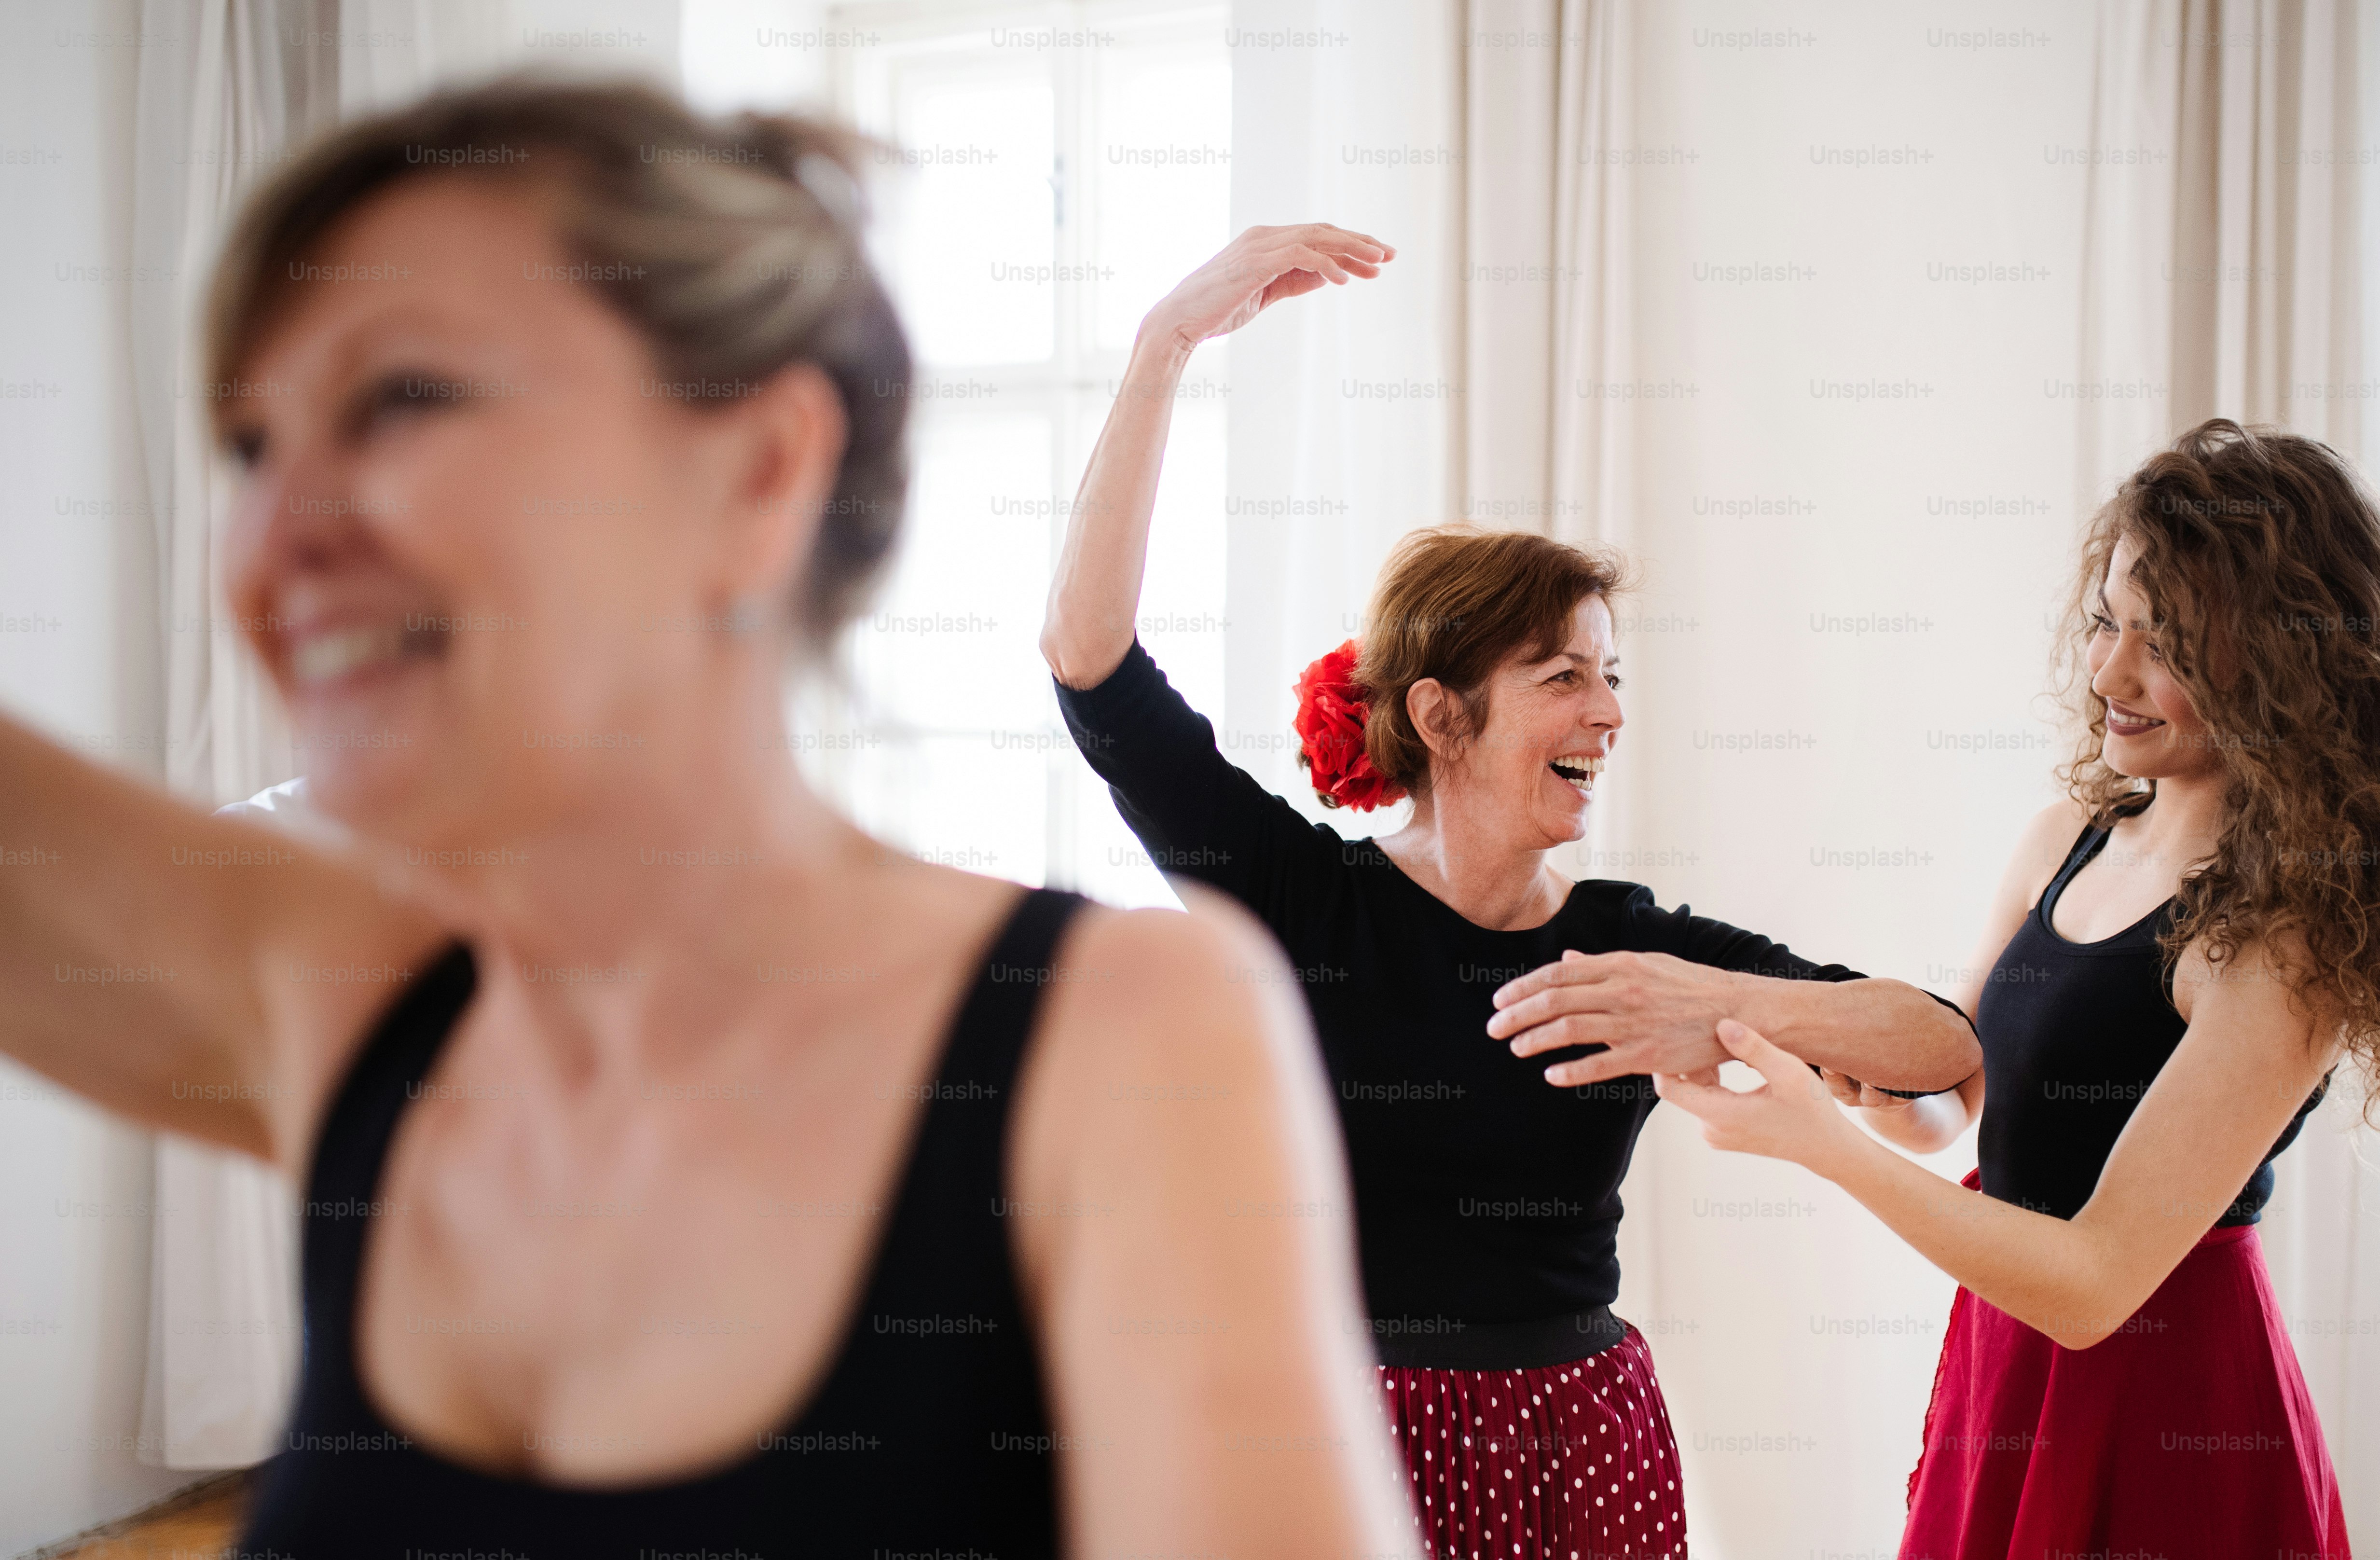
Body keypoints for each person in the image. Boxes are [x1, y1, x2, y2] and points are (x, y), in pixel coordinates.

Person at [0, 81, 1421, 1558]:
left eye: (403, 400)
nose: (274, 543)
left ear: (757, 469)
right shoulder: (353, 1004)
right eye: (249, 447)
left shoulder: (1114, 1038)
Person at [1041, 224, 1982, 1560]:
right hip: (1336, 1440)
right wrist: (1164, 345)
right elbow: (1089, 660)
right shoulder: (1305, 902)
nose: (1607, 712)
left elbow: (1938, 1042)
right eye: (1564, 676)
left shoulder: (1631, 950)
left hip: (1579, 1444)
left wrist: (1699, 1001)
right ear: (1440, 715)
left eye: (1612, 677)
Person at [1550, 421, 2380, 1558]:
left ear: (2288, 661)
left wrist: (1823, 1146)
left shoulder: (2280, 942)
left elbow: (2097, 1281)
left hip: (2166, 1410)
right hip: (2008, 1362)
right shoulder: (2071, 836)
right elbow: (1959, 1099)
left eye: (2170, 644)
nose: (2110, 672)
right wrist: (1825, 1071)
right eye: (2109, 621)